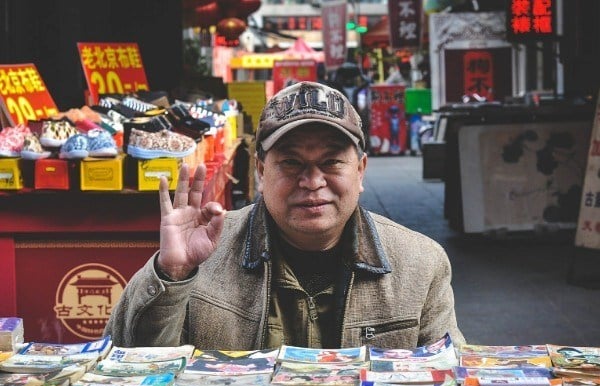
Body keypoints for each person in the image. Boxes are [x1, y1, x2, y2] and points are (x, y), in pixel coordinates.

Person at [104, 81, 465, 351]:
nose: (312, 182)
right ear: (261, 172)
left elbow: (450, 382)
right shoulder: (205, 255)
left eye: (331, 162)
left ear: (361, 171)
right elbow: (128, 364)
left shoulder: (420, 263)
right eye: (291, 162)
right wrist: (172, 276)